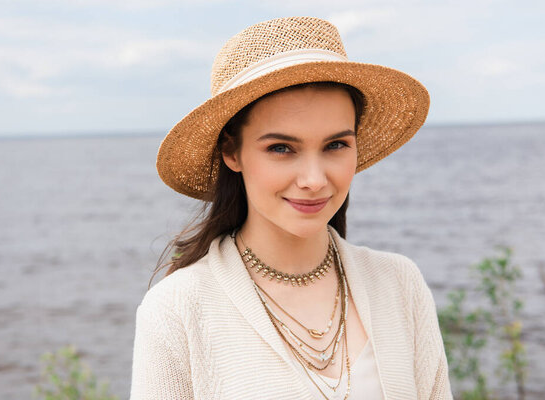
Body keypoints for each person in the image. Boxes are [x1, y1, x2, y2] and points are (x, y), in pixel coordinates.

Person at [130, 16, 452, 400]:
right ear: (231, 151)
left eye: (335, 145)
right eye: (281, 148)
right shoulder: (178, 309)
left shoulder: (400, 284)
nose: (314, 179)